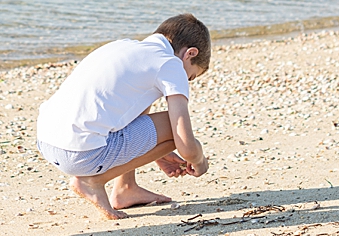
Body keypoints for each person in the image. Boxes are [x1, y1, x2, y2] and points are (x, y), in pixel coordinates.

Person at [35, 14, 211, 219]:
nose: (186, 81)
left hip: (47, 141)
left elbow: (125, 113)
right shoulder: (170, 64)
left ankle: (126, 188)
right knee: (175, 127)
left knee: (148, 107)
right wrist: (199, 161)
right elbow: (186, 145)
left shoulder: (122, 46)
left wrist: (158, 152)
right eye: (190, 76)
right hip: (79, 153)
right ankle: (93, 181)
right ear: (190, 54)